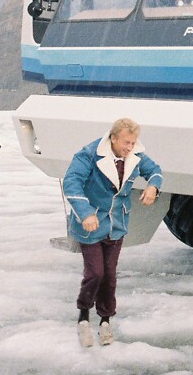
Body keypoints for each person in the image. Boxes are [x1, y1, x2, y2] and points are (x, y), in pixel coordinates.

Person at [63, 118, 163, 347]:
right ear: (113, 138)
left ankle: (105, 320)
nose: (130, 147)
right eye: (126, 143)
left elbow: (155, 171)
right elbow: (71, 182)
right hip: (90, 224)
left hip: (116, 224)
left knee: (109, 274)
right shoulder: (89, 154)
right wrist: (85, 213)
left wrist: (152, 186)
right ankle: (84, 315)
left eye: (133, 143)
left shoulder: (135, 155)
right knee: (95, 272)